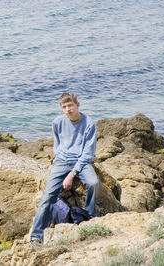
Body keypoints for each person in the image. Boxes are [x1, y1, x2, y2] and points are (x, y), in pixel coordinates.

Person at [30, 92, 100, 244]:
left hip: (82, 161)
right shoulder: (58, 122)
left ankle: (89, 216)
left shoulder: (89, 123)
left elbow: (88, 153)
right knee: (47, 197)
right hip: (61, 161)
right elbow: (58, 145)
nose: (68, 109)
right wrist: (54, 162)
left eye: (70, 106)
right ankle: (36, 235)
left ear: (77, 105)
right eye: (64, 107)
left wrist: (72, 174)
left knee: (94, 183)